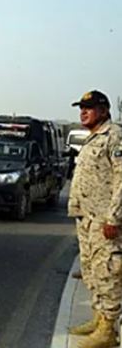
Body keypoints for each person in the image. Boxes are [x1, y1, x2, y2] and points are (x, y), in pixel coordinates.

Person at [67, 90, 122, 348]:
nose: (83, 112)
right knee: (92, 271)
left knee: (108, 272)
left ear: (103, 110)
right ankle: (99, 319)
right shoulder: (92, 138)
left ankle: (108, 330)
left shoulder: (114, 136)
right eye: (81, 108)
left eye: (88, 108)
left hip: (104, 221)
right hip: (87, 220)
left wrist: (114, 218)